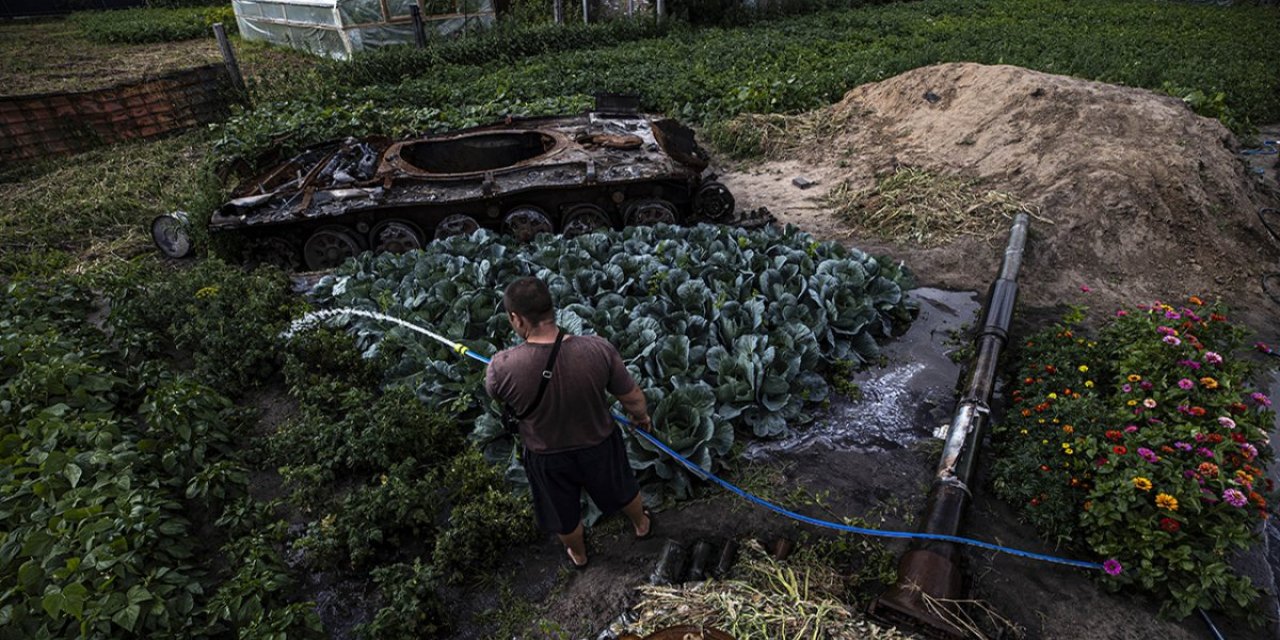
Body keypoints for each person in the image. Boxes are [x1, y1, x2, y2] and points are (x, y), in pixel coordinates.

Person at [484, 276, 654, 569]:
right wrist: (641, 418)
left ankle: (579, 555)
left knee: (563, 514)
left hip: (546, 456)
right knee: (623, 489)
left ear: (516, 318)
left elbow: (498, 396)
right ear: (552, 308)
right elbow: (633, 397)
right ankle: (642, 525)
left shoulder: (502, 366)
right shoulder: (597, 349)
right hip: (599, 443)